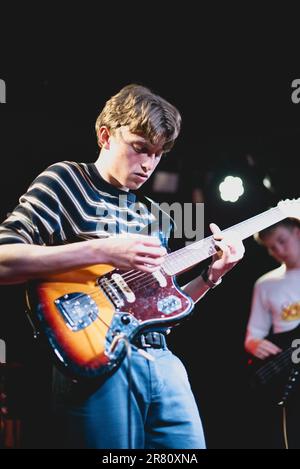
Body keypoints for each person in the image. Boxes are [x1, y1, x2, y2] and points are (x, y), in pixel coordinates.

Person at [0, 84, 245, 449]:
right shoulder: (65, 180)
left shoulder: (153, 217)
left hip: (162, 361)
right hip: (96, 358)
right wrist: (107, 251)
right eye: (140, 148)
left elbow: (159, 308)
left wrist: (212, 276)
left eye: (158, 154)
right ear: (105, 136)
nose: (148, 164)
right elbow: (4, 259)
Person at [244, 217, 300, 448]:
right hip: (289, 374)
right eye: (271, 248)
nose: (278, 250)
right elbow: (252, 335)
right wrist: (255, 345)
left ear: (297, 232)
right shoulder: (265, 284)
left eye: (282, 241)